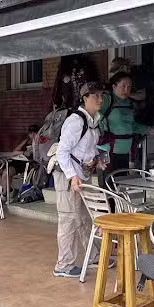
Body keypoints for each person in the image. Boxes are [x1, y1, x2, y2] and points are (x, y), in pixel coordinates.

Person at [52, 82, 107, 278]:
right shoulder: (76, 121)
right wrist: (72, 176)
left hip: (81, 175)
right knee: (68, 219)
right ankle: (64, 265)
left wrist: (97, 160)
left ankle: (93, 255)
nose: (100, 99)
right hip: (68, 176)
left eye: (101, 95)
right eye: (95, 96)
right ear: (85, 98)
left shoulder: (93, 121)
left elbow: (86, 149)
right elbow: (62, 151)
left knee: (84, 218)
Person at [98, 71, 154, 184]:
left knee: (120, 185)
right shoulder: (106, 100)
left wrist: (148, 130)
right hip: (105, 151)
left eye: (129, 87)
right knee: (106, 185)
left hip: (124, 151)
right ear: (113, 86)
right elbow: (93, 114)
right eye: (123, 86)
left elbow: (132, 126)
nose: (126, 90)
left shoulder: (129, 103)